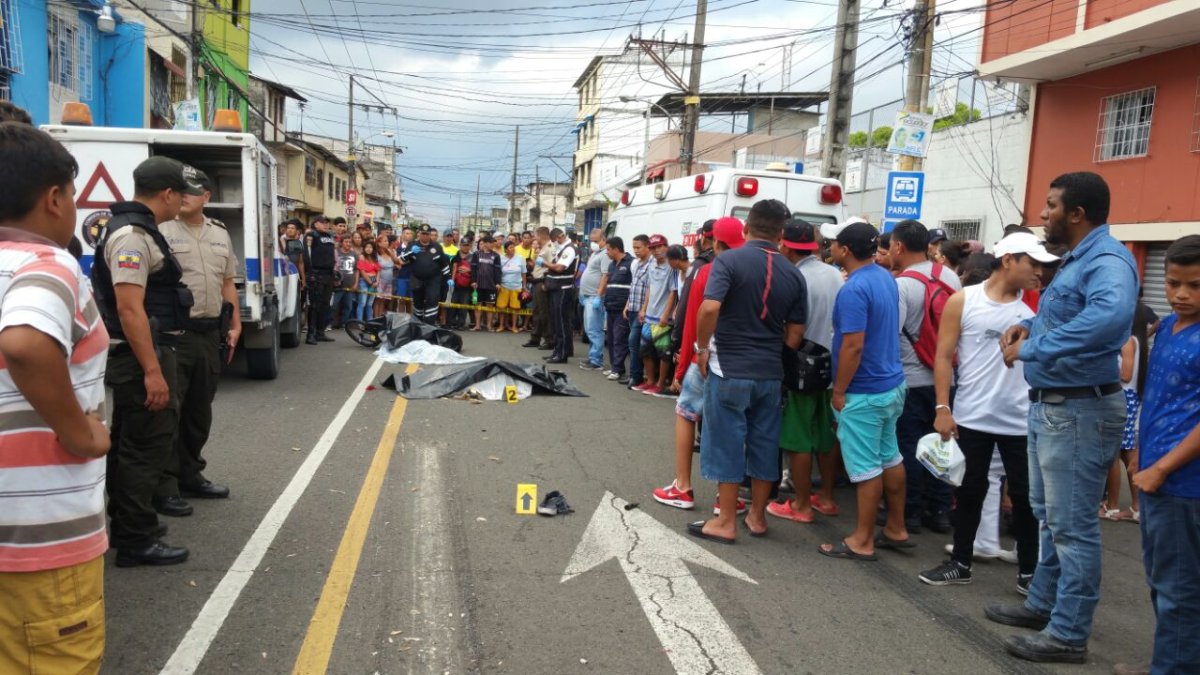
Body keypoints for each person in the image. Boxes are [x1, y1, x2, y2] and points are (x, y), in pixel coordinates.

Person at [988, 171, 1138, 664]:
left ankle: (1069, 634)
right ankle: (1044, 606)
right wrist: (1026, 324)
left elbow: (1110, 318)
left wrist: (1035, 346)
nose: (1044, 213)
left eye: (1051, 205)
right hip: (1055, 406)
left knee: (1072, 527)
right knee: (1050, 518)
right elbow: (1065, 315)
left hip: (1080, 408)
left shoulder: (1108, 261)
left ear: (1076, 213)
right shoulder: (1078, 260)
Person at [0, 121, 110, 673]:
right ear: (54, 199)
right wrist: (79, 432)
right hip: (35, 534)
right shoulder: (46, 264)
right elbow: (24, 342)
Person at [918, 232, 1055, 591]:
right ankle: (960, 562)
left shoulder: (1035, 312)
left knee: (1025, 498)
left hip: (1020, 419)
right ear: (1008, 259)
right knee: (969, 491)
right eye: (1033, 262)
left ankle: (1029, 573)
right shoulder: (964, 300)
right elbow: (943, 357)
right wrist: (943, 407)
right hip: (971, 415)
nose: (1039, 271)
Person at [92, 156, 204, 567]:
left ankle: (130, 524)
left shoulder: (136, 230)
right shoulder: (132, 236)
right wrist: (152, 369)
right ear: (168, 193)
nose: (183, 203)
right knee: (144, 447)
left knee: (132, 445)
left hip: (147, 351)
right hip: (142, 355)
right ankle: (135, 539)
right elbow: (129, 309)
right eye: (182, 194)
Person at [689, 199, 807, 544]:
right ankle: (756, 516)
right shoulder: (793, 272)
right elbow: (796, 332)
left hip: (729, 368)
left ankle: (725, 520)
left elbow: (709, 308)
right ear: (781, 234)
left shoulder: (728, 260)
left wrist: (701, 348)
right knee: (765, 442)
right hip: (770, 371)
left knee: (727, 441)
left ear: (746, 228)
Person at [1117, 235, 1200, 675]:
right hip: (1154, 474)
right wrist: (1139, 456)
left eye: (1195, 286)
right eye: (1173, 283)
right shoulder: (1167, 326)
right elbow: (1158, 397)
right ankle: (1168, 662)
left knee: (1179, 587)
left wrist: (1162, 467)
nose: (1181, 294)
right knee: (1164, 580)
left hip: (1184, 484)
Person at [816, 219, 908, 561]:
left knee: (867, 468)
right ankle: (896, 527)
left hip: (864, 390)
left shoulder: (854, 289)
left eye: (836, 244)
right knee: (890, 458)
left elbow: (852, 346)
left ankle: (862, 540)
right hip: (891, 384)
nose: (832, 248)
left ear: (847, 250)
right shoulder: (884, 277)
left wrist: (839, 390)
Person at [156, 168, 236, 518]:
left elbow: (227, 282)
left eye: (191, 191)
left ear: (206, 195)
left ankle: (191, 474)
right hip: (175, 335)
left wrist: (234, 324)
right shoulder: (160, 231)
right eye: (179, 191)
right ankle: (166, 485)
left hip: (208, 334)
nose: (183, 196)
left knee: (199, 411)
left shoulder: (220, 234)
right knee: (171, 411)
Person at [653, 217, 745, 512]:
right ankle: (727, 499)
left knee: (686, 413)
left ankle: (682, 486)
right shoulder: (759, 268)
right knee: (733, 426)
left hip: (707, 358)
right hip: (747, 361)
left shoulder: (707, 271)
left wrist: (682, 366)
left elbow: (694, 317)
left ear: (713, 242)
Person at [767, 219, 845, 524]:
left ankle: (800, 504)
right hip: (832, 368)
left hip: (801, 368)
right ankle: (825, 497)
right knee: (825, 435)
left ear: (785, 244)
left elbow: (791, 329)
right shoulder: (835, 275)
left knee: (797, 437)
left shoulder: (792, 278)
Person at [891, 218, 962, 533]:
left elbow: (893, 333)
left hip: (911, 377)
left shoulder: (901, 284)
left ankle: (911, 512)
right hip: (946, 378)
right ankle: (941, 510)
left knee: (909, 445)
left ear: (898, 246)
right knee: (941, 443)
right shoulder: (950, 277)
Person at [634, 234, 677, 396]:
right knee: (645, 350)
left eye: (659, 246)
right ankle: (650, 380)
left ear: (666, 246)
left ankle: (660, 383)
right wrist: (643, 309)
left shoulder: (671, 267)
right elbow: (649, 288)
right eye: (653, 248)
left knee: (663, 352)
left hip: (663, 318)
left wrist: (666, 315)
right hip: (649, 315)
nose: (656, 250)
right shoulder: (651, 265)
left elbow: (674, 292)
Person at [578, 227, 611, 370]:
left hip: (594, 297)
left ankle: (596, 360)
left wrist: (598, 295)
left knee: (594, 329)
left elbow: (605, 275)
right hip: (587, 296)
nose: (592, 242)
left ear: (603, 238)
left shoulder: (605, 254)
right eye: (591, 239)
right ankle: (593, 356)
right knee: (589, 328)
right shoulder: (595, 253)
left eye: (595, 239)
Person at [545, 228, 578, 364]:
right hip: (556, 288)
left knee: (562, 322)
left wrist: (544, 263)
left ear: (560, 237)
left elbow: (559, 268)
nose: (554, 243)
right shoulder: (562, 248)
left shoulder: (569, 249)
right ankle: (557, 351)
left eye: (555, 240)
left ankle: (563, 353)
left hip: (563, 289)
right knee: (556, 322)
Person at [405, 224, 450, 325]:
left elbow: (444, 264)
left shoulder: (437, 247)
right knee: (418, 303)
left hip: (433, 280)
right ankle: (418, 324)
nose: (425, 236)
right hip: (417, 279)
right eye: (423, 234)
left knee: (433, 300)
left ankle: (429, 325)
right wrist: (410, 253)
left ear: (430, 235)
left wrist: (449, 278)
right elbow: (402, 259)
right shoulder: (412, 245)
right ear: (419, 234)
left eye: (427, 234)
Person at [603, 237, 634, 383]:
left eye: (608, 249)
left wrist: (628, 306)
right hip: (611, 306)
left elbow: (633, 286)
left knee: (619, 338)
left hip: (623, 307)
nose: (607, 252)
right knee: (610, 338)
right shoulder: (612, 265)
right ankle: (615, 367)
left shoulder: (631, 263)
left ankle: (617, 369)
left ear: (616, 249)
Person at [625, 234, 652, 388]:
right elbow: (633, 286)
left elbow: (650, 288)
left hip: (643, 311)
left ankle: (636, 376)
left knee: (633, 341)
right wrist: (627, 305)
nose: (635, 250)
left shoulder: (651, 264)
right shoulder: (635, 264)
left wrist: (644, 309)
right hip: (633, 308)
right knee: (633, 344)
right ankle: (634, 375)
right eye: (634, 247)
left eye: (638, 247)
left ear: (647, 246)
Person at [523, 227, 555, 349]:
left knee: (544, 313)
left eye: (535, 236)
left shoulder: (550, 248)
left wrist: (545, 282)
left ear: (541, 236)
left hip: (542, 283)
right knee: (536, 312)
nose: (534, 239)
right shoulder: (541, 248)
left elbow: (552, 267)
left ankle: (549, 339)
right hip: (536, 282)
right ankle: (535, 338)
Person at [306, 217, 337, 344]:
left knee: (325, 305)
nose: (326, 225)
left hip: (328, 274)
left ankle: (320, 332)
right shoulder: (311, 235)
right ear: (315, 224)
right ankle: (310, 334)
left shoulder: (330, 236)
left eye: (327, 223)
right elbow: (307, 254)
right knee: (314, 306)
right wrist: (310, 272)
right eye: (323, 223)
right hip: (316, 274)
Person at [472, 235, 501, 331]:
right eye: (491, 242)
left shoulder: (496, 256)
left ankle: (489, 325)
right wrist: (473, 281)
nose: (493, 244)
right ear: (484, 243)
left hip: (491, 285)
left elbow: (497, 270)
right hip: (478, 285)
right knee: (477, 305)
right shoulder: (476, 254)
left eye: (493, 242)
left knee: (490, 305)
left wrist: (497, 282)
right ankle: (477, 325)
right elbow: (473, 269)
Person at [498, 240, 526, 333]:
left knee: (515, 308)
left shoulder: (520, 258)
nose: (513, 249)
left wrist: (524, 286)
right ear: (506, 250)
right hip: (504, 285)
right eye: (510, 247)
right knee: (501, 307)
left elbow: (524, 274)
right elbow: (498, 272)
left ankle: (514, 326)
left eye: (513, 247)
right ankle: (501, 325)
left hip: (517, 286)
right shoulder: (501, 258)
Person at [331, 236, 359, 328]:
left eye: (350, 242)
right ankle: (330, 323)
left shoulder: (354, 254)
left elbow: (356, 270)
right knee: (334, 305)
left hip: (350, 285)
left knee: (348, 306)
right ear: (341, 243)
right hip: (338, 284)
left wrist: (355, 283)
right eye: (346, 241)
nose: (348, 244)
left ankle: (343, 323)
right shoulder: (337, 253)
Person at [449, 245, 474, 329]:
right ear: (460, 246)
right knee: (453, 304)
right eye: (464, 245)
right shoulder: (455, 257)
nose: (466, 247)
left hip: (467, 285)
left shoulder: (472, 257)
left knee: (464, 305)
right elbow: (451, 269)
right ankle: (452, 322)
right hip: (455, 285)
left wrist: (468, 270)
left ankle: (461, 324)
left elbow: (476, 270)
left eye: (467, 245)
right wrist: (451, 280)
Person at [355, 241, 380, 321]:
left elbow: (379, 271)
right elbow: (362, 271)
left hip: (374, 282)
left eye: (370, 247)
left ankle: (370, 321)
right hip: (364, 282)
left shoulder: (374, 258)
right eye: (367, 247)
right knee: (362, 303)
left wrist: (377, 282)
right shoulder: (362, 257)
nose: (368, 249)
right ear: (364, 248)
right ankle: (359, 322)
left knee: (369, 304)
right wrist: (370, 282)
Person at [374, 233, 395, 316]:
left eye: (387, 241)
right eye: (385, 241)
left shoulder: (390, 252)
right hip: (380, 281)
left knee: (383, 301)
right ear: (379, 243)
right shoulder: (376, 254)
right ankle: (375, 318)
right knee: (378, 300)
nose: (387, 243)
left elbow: (397, 261)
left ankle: (379, 318)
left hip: (389, 282)